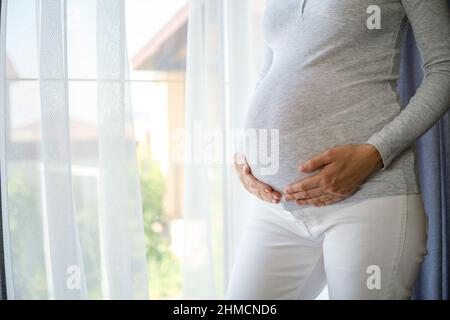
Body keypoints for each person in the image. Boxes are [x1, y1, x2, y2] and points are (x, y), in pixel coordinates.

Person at [227, 0, 450, 299]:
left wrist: (375, 153)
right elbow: (271, 70)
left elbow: (445, 68)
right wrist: (246, 152)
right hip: (277, 209)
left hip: (367, 200)